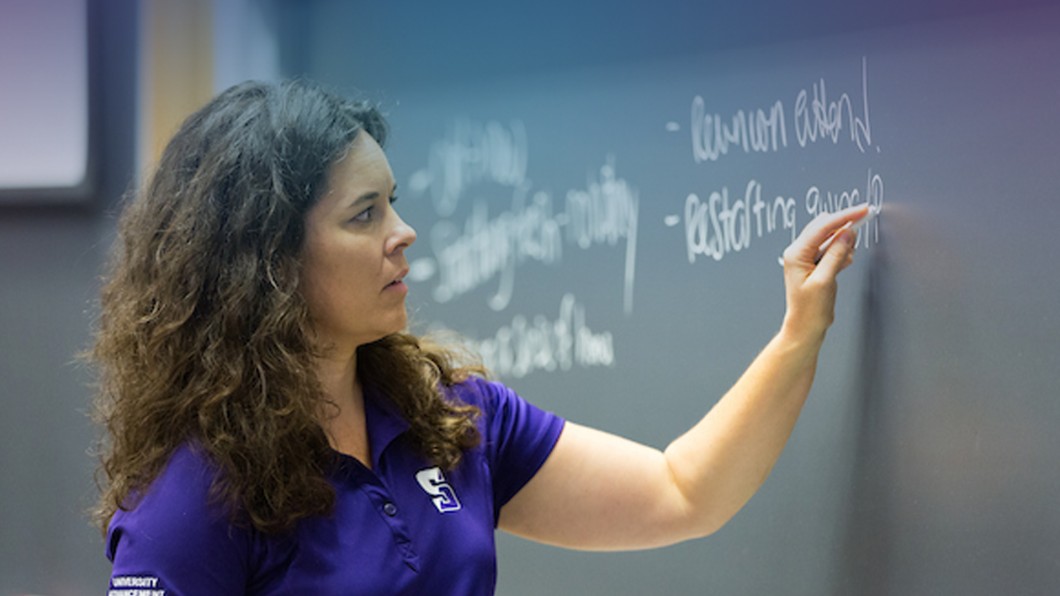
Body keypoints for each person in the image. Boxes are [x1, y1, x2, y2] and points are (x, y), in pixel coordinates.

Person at [90, 78, 868, 594]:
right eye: (365, 215)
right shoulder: (190, 501)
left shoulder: (447, 415)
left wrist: (801, 332)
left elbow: (681, 492)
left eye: (393, 203)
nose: (405, 233)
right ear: (269, 258)